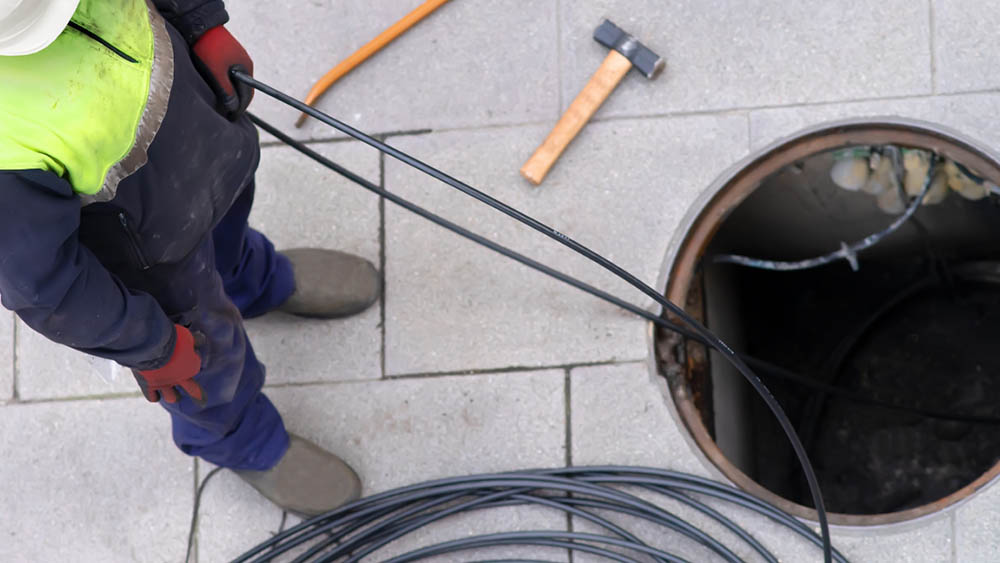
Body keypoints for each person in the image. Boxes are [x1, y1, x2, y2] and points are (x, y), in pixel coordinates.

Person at [0, 0, 375, 517]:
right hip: (153, 258)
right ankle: (246, 443)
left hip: (207, 144)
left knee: (229, 234)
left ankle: (253, 280)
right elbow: (45, 284)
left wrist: (201, 21)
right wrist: (150, 346)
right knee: (208, 366)